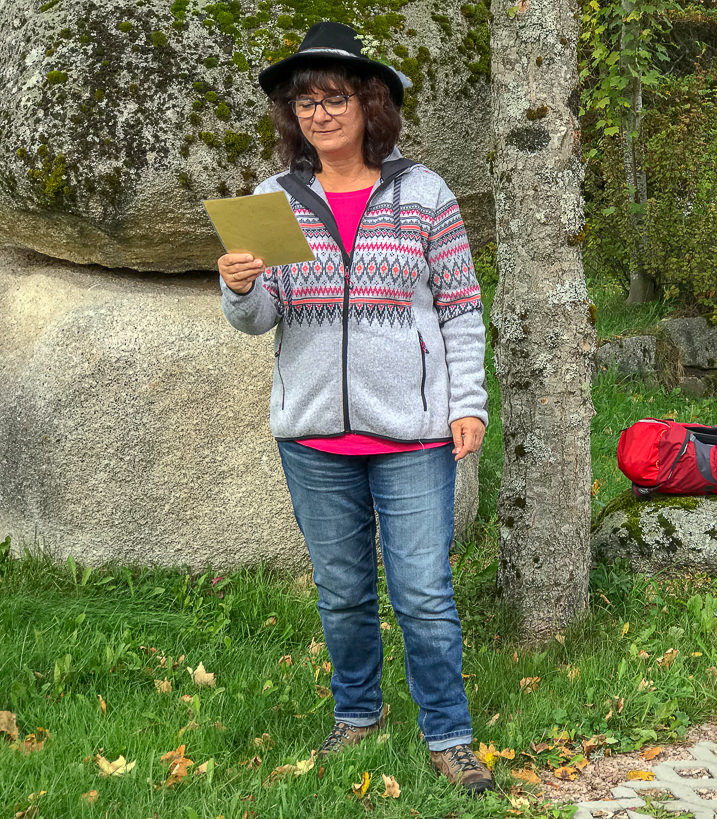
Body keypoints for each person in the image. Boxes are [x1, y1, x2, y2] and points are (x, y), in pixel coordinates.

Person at [216, 21, 493, 794]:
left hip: (410, 434)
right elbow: (259, 318)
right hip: (310, 436)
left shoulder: (424, 193)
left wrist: (466, 401)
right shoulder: (274, 199)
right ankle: (359, 714)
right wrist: (239, 286)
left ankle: (448, 732)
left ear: (371, 104)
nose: (321, 112)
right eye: (305, 100)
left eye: (336, 96)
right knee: (341, 591)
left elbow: (462, 308)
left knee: (424, 593)